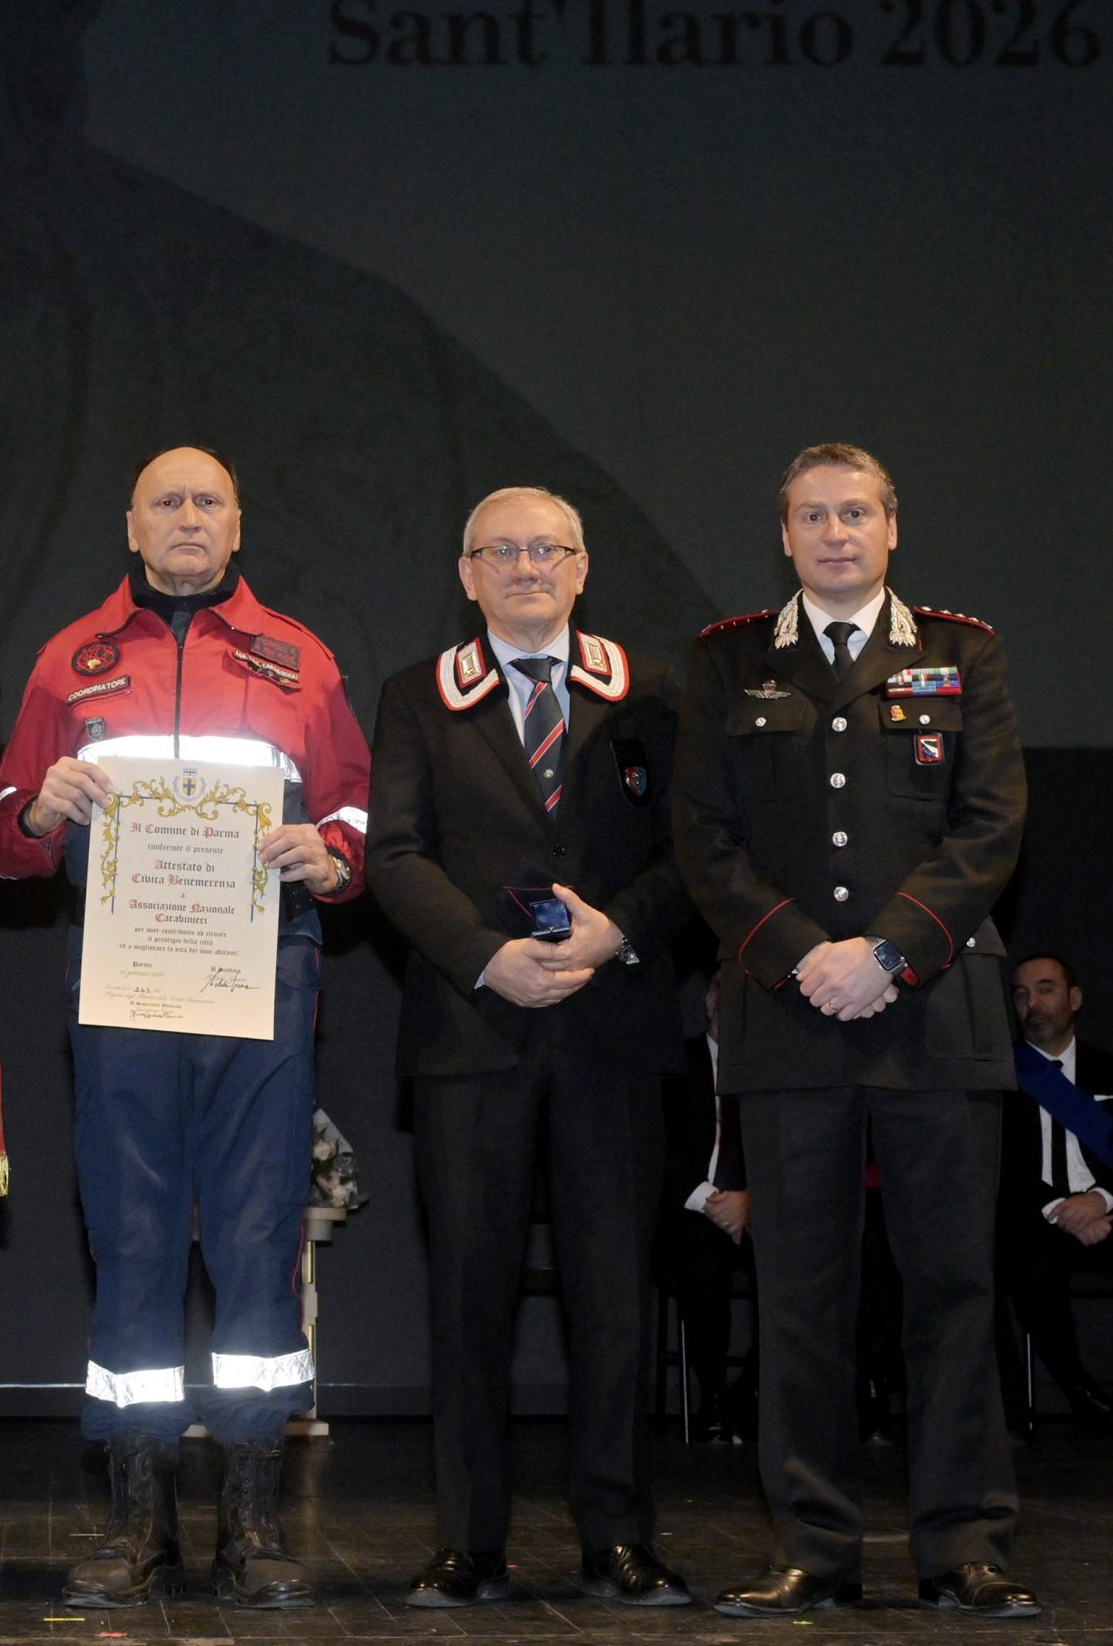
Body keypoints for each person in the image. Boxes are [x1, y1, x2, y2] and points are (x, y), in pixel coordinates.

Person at [0, 445, 370, 1609]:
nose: (189, 518)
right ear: (132, 523)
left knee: (257, 1238)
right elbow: (8, 837)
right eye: (168, 501)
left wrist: (334, 853)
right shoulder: (72, 658)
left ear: (237, 525)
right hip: (122, 988)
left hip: (264, 977)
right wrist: (38, 809)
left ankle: (253, 1525)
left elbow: (357, 809)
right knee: (133, 1238)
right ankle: (134, 1521)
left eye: (208, 501)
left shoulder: (301, 657)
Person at [676, 442, 1033, 1618]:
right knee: (800, 1300)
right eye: (811, 516)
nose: (835, 534)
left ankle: (962, 1547)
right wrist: (803, 958)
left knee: (950, 1293)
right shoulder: (729, 661)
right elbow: (703, 843)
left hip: (932, 1016)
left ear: (891, 528)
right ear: (782, 535)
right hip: (789, 1022)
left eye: (856, 514)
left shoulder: (959, 650)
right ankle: (814, 1549)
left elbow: (989, 828)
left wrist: (885, 952)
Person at [365, 487, 693, 1608]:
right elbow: (395, 856)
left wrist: (622, 929)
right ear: (465, 574)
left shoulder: (651, 692)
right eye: (498, 550)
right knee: (467, 1298)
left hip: (611, 1031)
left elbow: (693, 851)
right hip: (472, 1032)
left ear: (580, 565)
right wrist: (481, 955)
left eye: (544, 548)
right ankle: (469, 1541)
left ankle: (617, 1537)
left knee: (614, 1299)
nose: (523, 566)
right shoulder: (415, 697)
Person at [996, 954, 1113, 1433]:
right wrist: (1060, 1208)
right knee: (1030, 1270)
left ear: (1075, 999)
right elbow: (998, 1163)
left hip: (1109, 1210)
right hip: (1036, 1216)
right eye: (1022, 993)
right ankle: (1083, 1393)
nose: (1033, 1002)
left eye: (1046, 989)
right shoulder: (1000, 1078)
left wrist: (1100, 1200)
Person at [654, 981, 751, 1445]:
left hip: (754, 1210)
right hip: (689, 1210)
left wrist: (747, 1203)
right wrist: (713, 1203)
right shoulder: (675, 1064)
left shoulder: (763, 1071)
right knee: (704, 1268)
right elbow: (658, 1148)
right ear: (712, 1000)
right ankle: (713, 1400)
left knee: (804, 1268)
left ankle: (749, 1397)